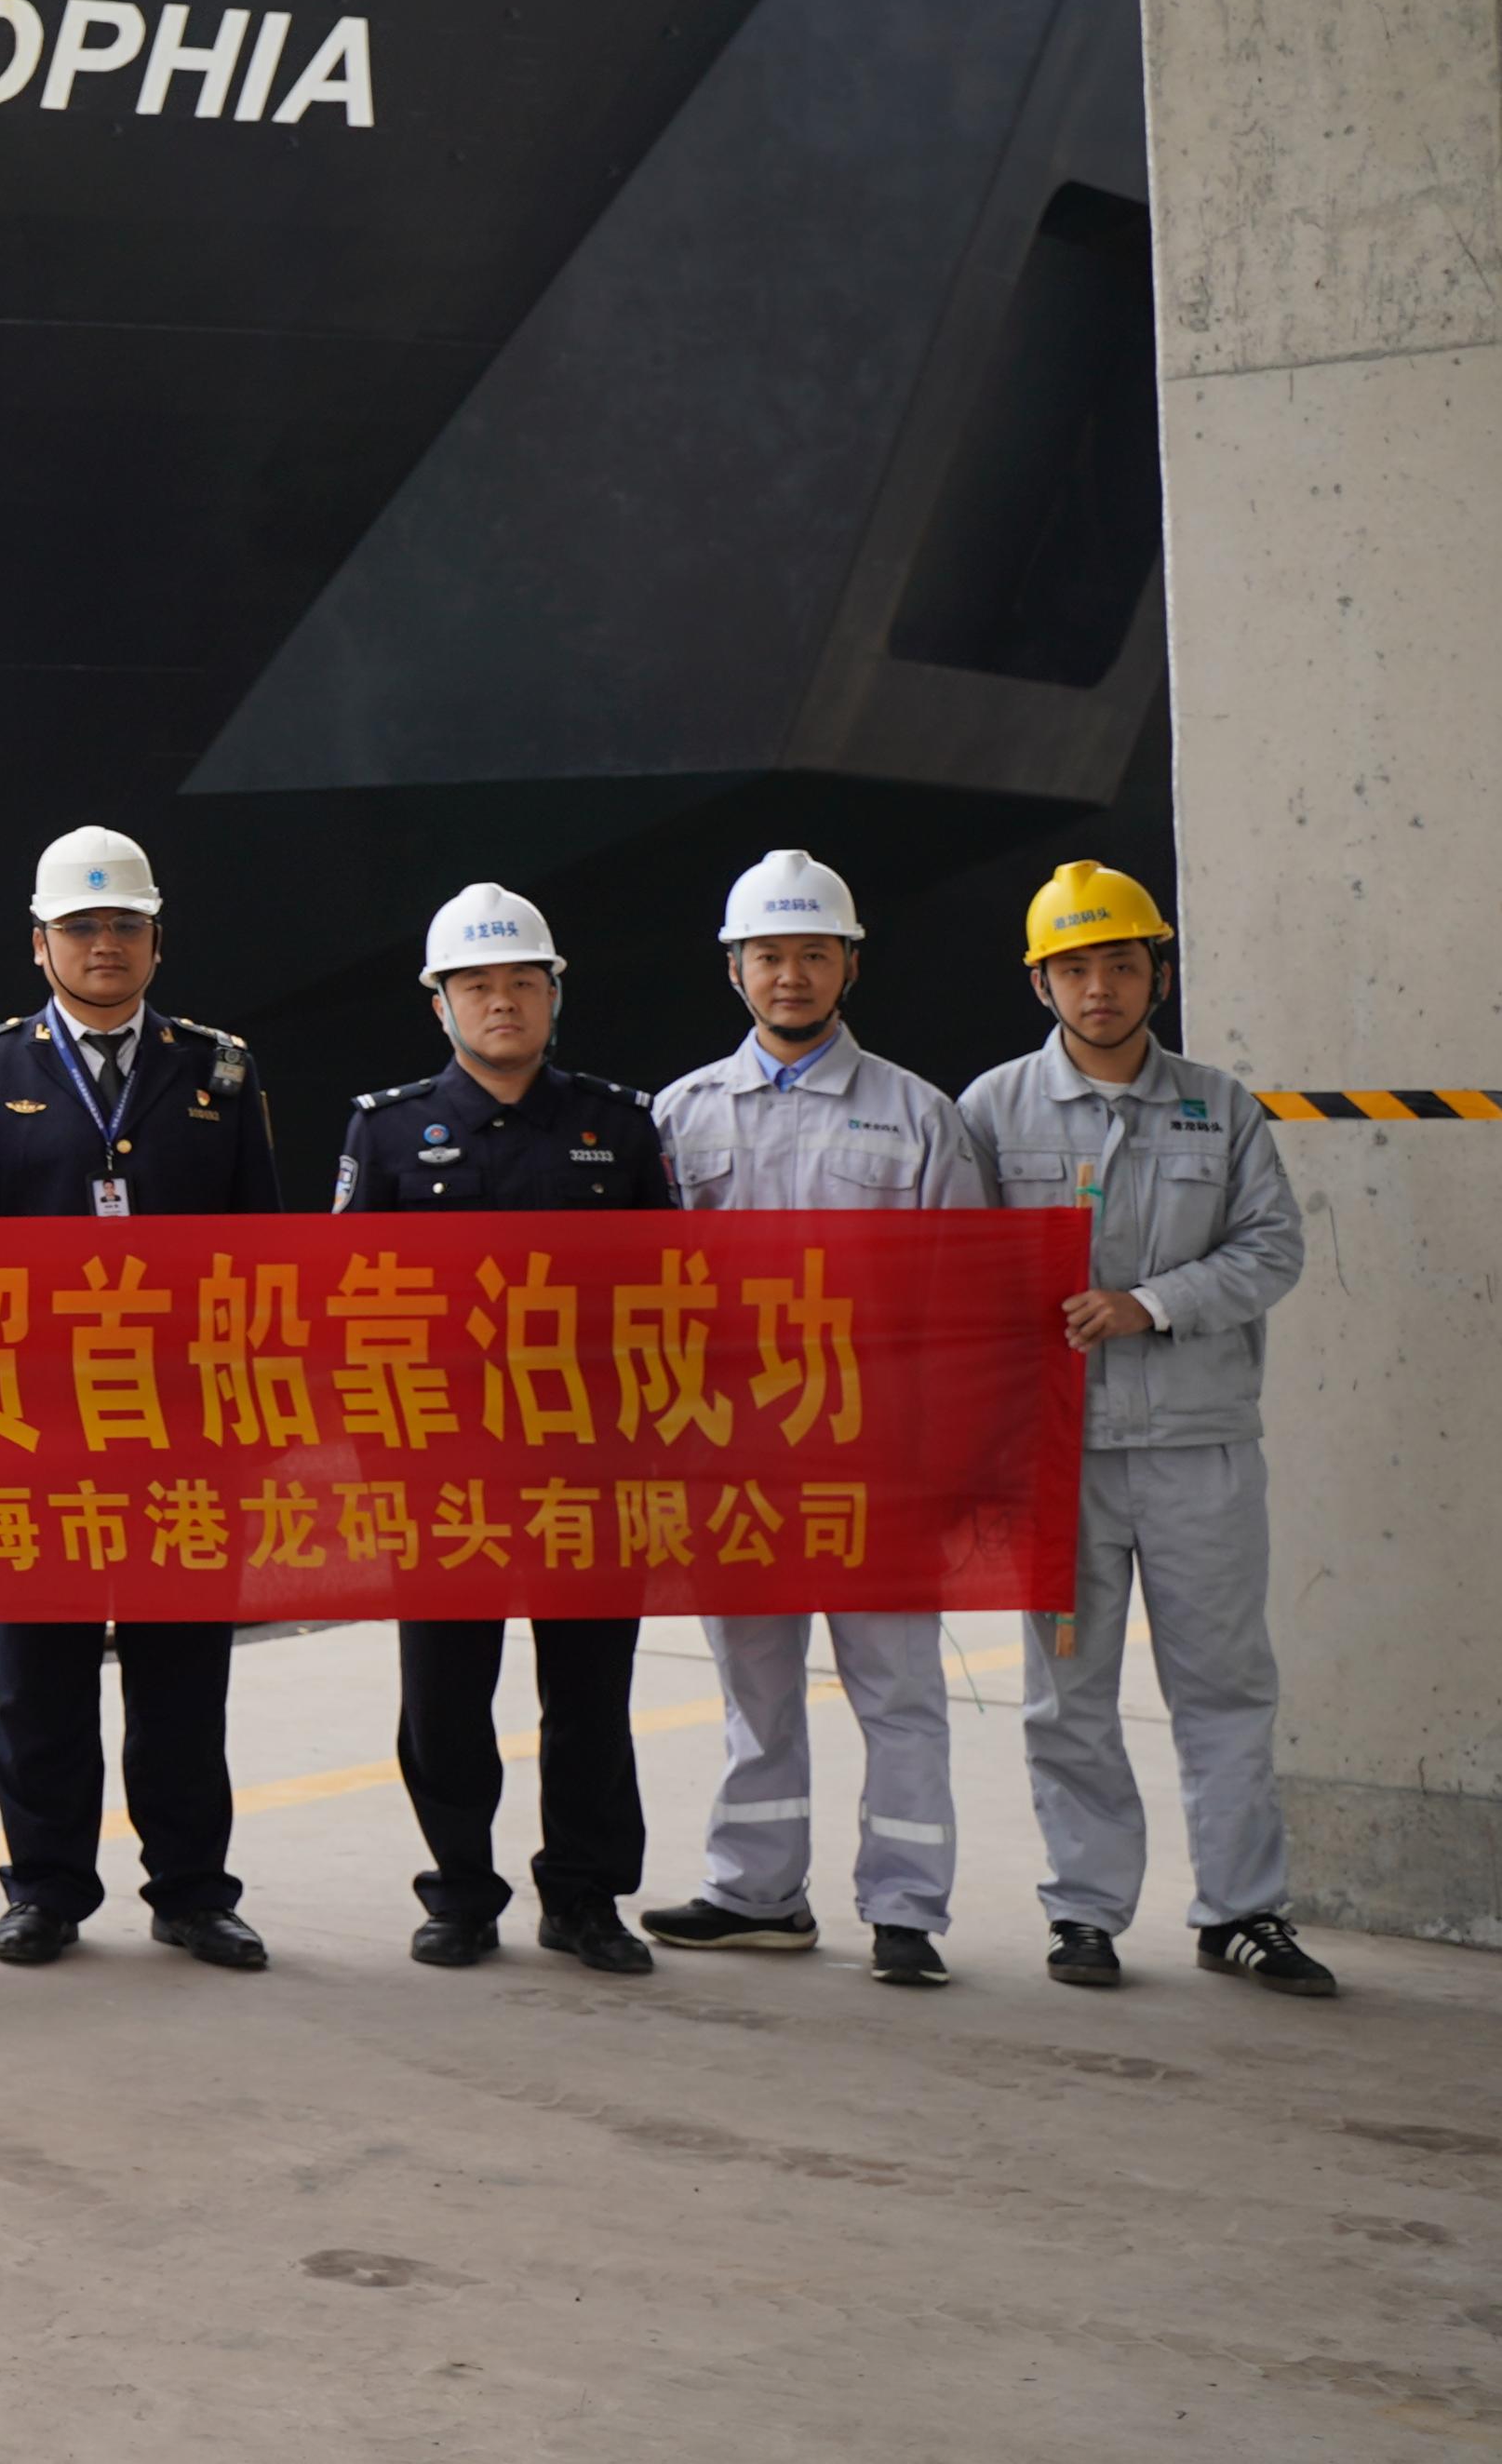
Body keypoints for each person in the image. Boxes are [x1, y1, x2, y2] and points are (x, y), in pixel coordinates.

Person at [962, 863, 1333, 2000]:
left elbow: (1273, 1247)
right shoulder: (991, 1112)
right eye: (1073, 968)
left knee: (1224, 1687)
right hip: (1055, 1458)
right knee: (1066, 1695)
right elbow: (953, 1274)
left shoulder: (1219, 1106)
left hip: (1195, 1450)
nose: (1099, 989)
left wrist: (1150, 1304)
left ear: (1157, 974)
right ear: (1039, 983)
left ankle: (1242, 1911)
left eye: (1120, 965)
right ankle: (1083, 1912)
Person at [0, 827, 283, 1975]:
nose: (103, 946)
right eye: (79, 928)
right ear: (39, 945)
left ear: (155, 941)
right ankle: (44, 1889)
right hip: (38, 1438)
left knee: (183, 1676)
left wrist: (253, 1424)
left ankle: (191, 1891)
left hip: (181, 1433)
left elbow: (261, 1260)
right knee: (40, 1677)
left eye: (123, 926)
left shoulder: (219, 1069)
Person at [639, 847, 993, 1986]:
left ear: (848, 965)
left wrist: (954, 1467)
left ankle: (905, 1911)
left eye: (811, 954)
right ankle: (756, 1895)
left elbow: (968, 1304)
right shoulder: (679, 1116)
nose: (789, 976)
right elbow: (642, 1304)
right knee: (754, 1690)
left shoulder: (918, 1117)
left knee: (899, 1691)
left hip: (876, 1466)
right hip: (734, 1462)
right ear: (732, 969)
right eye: (767, 956)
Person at [330, 883, 670, 1979]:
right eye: (475, 985)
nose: (501, 1002)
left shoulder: (618, 1126)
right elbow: (345, 1304)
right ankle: (460, 1895)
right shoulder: (386, 1130)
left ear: (554, 993)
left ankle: (584, 1897)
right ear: (439, 1004)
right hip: (443, 1468)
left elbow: (672, 1296)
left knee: (589, 1696)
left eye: (522, 981)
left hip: (589, 1465)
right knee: (444, 1695)